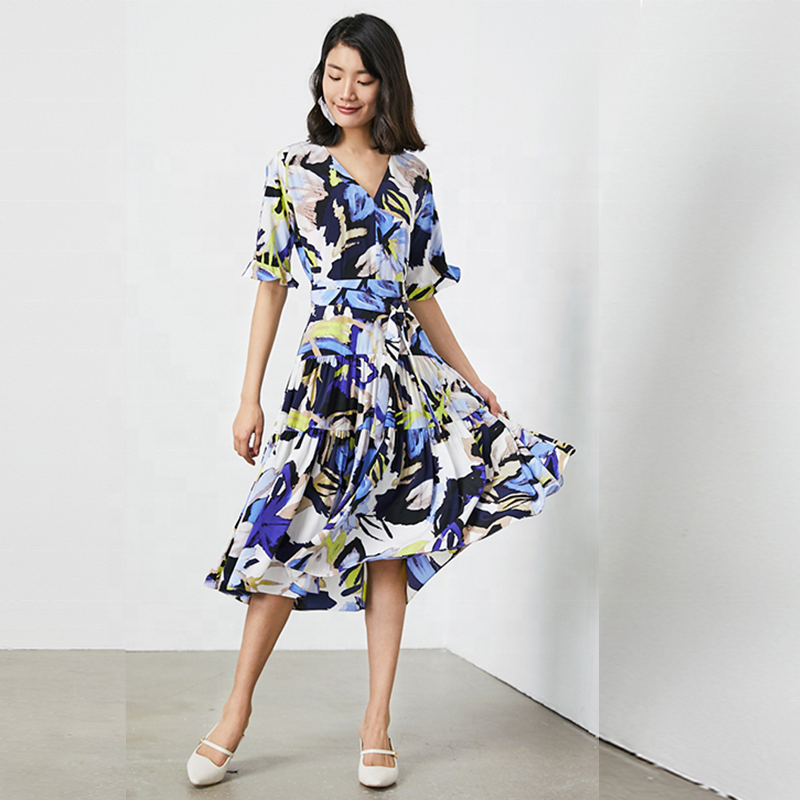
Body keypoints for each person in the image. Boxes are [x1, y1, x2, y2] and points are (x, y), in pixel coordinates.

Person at [187, 12, 575, 789]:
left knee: (392, 539)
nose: (347, 91)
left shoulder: (413, 177)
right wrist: (248, 397)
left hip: (401, 381)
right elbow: (271, 286)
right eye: (335, 75)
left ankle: (376, 723)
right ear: (320, 79)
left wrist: (470, 377)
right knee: (281, 536)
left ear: (386, 85)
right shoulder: (293, 168)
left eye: (363, 78)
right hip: (325, 382)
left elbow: (422, 293)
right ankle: (235, 710)